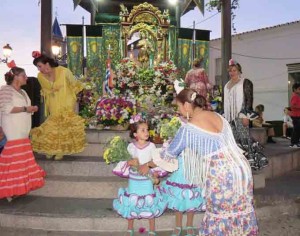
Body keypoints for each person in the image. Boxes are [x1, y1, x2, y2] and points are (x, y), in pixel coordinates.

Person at [140, 89, 258, 235]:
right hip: (241, 169)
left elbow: (167, 155)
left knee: (220, 216)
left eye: (178, 107)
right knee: (240, 213)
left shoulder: (188, 129)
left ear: (187, 105)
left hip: (220, 173)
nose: (178, 111)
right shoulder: (217, 116)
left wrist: (147, 164)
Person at [113, 119, 167, 236]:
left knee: (149, 200)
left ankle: (152, 229)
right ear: (135, 134)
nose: (146, 132)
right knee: (132, 201)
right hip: (134, 180)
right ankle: (130, 228)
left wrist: (155, 174)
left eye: (147, 130)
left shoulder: (152, 146)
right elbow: (126, 161)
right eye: (143, 130)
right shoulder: (131, 147)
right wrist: (130, 162)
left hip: (147, 180)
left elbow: (155, 161)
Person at [0, 66, 45, 201]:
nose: (26, 78)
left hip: (23, 129)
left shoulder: (24, 92)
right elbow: (6, 108)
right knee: (13, 159)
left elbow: (26, 109)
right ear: (15, 77)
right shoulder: (5, 90)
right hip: (13, 128)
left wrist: (32, 109)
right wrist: (26, 108)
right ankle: (8, 189)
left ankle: (16, 188)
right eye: (23, 75)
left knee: (20, 160)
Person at [30, 53, 86, 160]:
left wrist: (77, 93)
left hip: (67, 101)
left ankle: (60, 150)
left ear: (47, 64)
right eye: (37, 67)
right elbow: (44, 90)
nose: (39, 69)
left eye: (39, 66)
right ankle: (51, 148)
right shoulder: (40, 76)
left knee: (64, 125)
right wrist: (51, 90)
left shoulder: (64, 71)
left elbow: (75, 84)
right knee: (53, 125)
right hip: (53, 102)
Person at [157, 116, 205, 236]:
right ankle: (178, 225)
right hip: (180, 171)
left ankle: (189, 224)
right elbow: (172, 150)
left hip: (193, 171)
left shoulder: (197, 125)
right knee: (178, 199)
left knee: (191, 200)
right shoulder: (177, 125)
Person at [224, 59, 267, 170]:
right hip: (230, 117)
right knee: (234, 139)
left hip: (241, 116)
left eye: (234, 70)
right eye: (230, 71)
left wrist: (246, 116)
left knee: (244, 138)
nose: (232, 72)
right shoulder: (227, 85)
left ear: (239, 71)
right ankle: (238, 163)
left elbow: (249, 100)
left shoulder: (245, 82)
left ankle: (252, 162)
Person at [289, 83, 300, 148]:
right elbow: (293, 105)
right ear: (294, 89)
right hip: (295, 115)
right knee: (296, 129)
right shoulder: (295, 96)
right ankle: (293, 143)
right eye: (299, 89)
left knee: (298, 129)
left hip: (298, 115)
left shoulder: (297, 96)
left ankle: (296, 142)